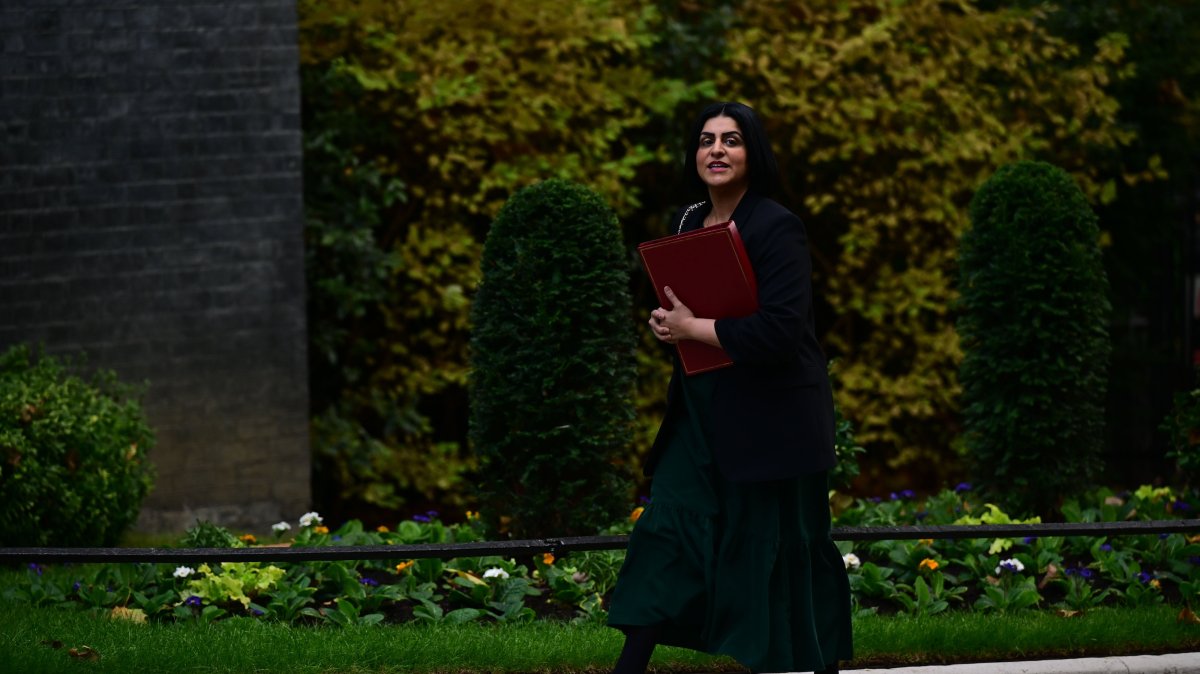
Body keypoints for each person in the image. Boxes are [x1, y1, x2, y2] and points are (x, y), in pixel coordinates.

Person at [606, 102, 853, 674]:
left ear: (753, 153)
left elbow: (781, 332)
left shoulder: (777, 225)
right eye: (706, 140)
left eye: (732, 139)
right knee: (666, 531)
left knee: (779, 549)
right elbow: (693, 309)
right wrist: (669, 325)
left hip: (772, 419)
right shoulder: (689, 220)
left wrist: (694, 327)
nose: (716, 149)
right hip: (700, 413)